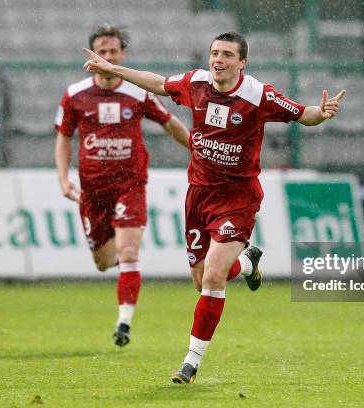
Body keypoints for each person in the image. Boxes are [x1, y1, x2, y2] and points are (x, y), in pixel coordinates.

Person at [83, 31, 346, 383]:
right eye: (214, 53)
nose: (217, 59)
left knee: (212, 276)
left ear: (242, 63)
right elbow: (160, 83)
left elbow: (303, 114)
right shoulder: (195, 83)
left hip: (237, 197)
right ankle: (247, 260)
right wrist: (115, 68)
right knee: (201, 279)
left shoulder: (259, 95)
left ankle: (190, 363)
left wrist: (322, 113)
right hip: (199, 196)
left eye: (226, 55)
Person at [54, 24, 190, 347]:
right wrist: (62, 177)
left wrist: (199, 150)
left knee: (129, 250)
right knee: (103, 262)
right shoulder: (75, 95)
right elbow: (63, 137)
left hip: (131, 184)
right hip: (93, 190)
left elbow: (170, 124)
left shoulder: (138, 93)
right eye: (102, 51)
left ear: (122, 55)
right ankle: (126, 270)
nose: (108, 56)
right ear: (92, 56)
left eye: (114, 51)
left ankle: (124, 322)